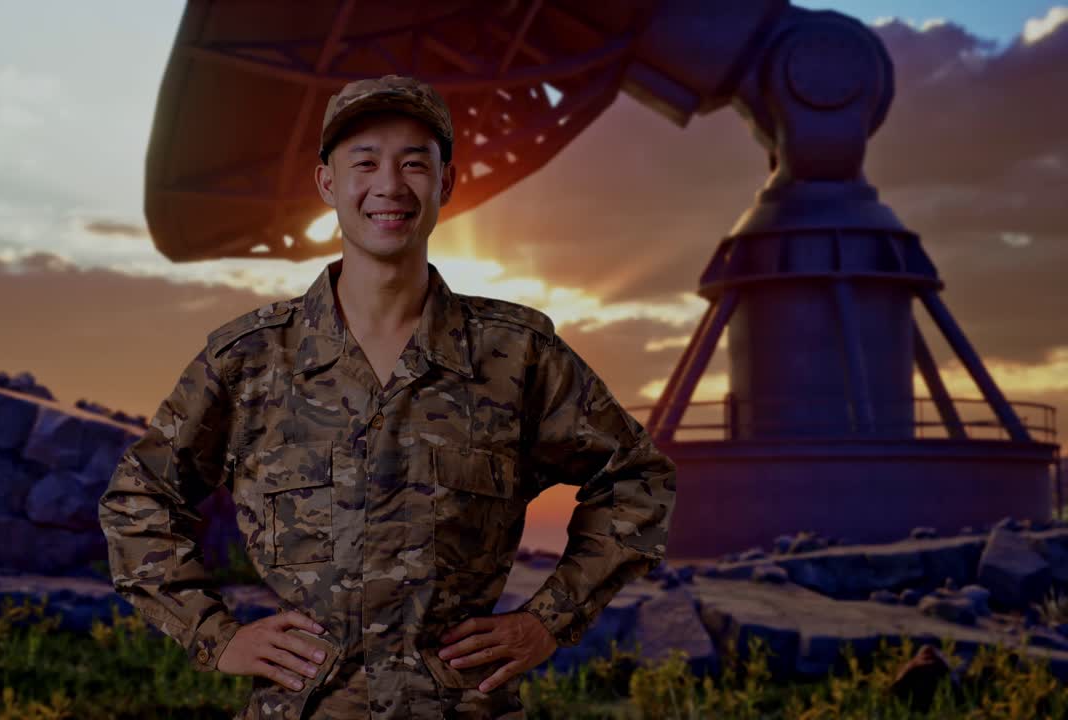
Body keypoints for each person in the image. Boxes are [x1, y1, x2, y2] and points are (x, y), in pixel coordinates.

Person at [99, 74, 677, 719]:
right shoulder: (249, 361)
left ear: (448, 183)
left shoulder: (516, 355)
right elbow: (139, 499)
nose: (390, 186)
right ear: (326, 183)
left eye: (414, 163)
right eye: (364, 162)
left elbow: (636, 480)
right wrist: (215, 636)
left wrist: (547, 621)